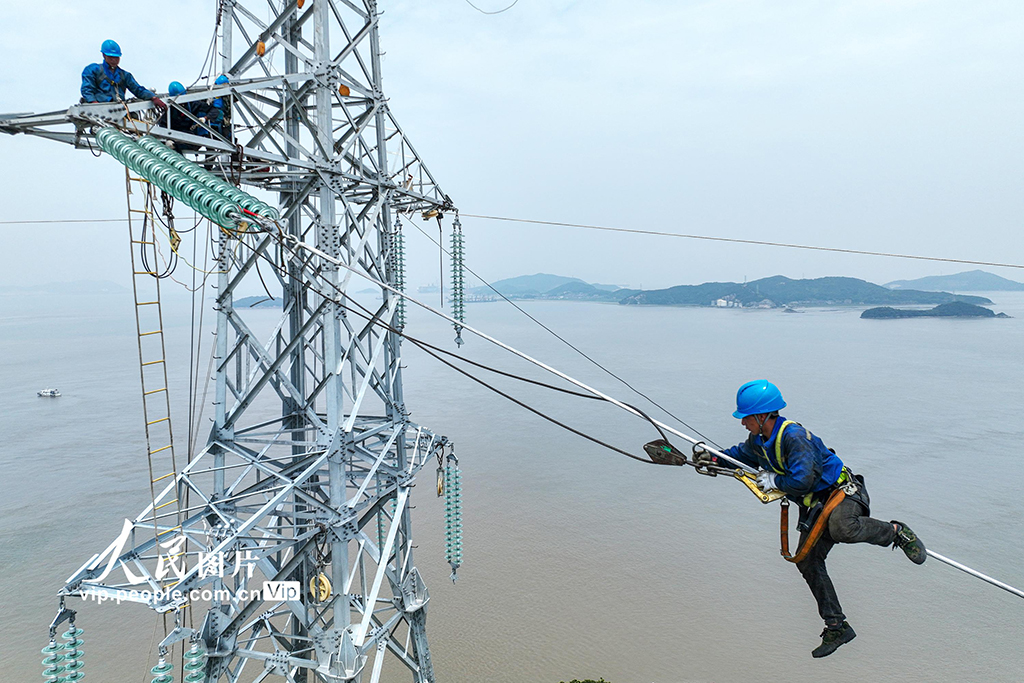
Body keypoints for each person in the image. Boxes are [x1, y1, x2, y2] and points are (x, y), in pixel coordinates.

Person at [697, 380, 926, 658]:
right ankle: (837, 626)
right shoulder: (758, 441)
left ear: (762, 416)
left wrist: (775, 480)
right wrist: (714, 458)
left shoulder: (794, 438)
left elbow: (803, 481)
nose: (743, 423)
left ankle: (896, 532)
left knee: (843, 528)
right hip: (817, 507)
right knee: (807, 562)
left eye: (746, 417)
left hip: (843, 494)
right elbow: (739, 456)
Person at [81, 40, 165, 110]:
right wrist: (94, 105)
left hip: (119, 109)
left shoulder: (124, 75)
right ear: (104, 55)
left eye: (116, 57)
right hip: (100, 107)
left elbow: (137, 89)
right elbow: (87, 89)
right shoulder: (93, 70)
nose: (114, 60)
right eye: (111, 57)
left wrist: (153, 97)